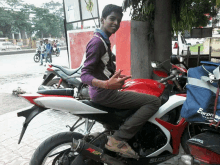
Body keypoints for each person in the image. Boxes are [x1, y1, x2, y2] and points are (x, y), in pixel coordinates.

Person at [80, 4, 161, 159]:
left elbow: (101, 68)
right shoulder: (97, 42)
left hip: (105, 92)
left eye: (118, 20)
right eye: (112, 19)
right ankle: (118, 139)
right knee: (153, 102)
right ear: (102, 20)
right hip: (104, 94)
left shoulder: (103, 40)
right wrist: (106, 84)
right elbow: (84, 75)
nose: (115, 23)